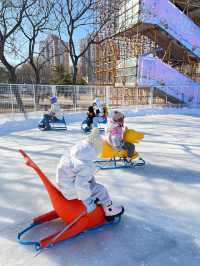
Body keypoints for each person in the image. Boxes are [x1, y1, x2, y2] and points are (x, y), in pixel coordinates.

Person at [56, 128, 124, 219]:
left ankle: (97, 199)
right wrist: (88, 201)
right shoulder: (85, 166)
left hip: (64, 184)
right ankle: (110, 210)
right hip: (70, 190)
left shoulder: (76, 152)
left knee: (91, 182)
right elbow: (80, 185)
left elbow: (78, 175)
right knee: (101, 189)